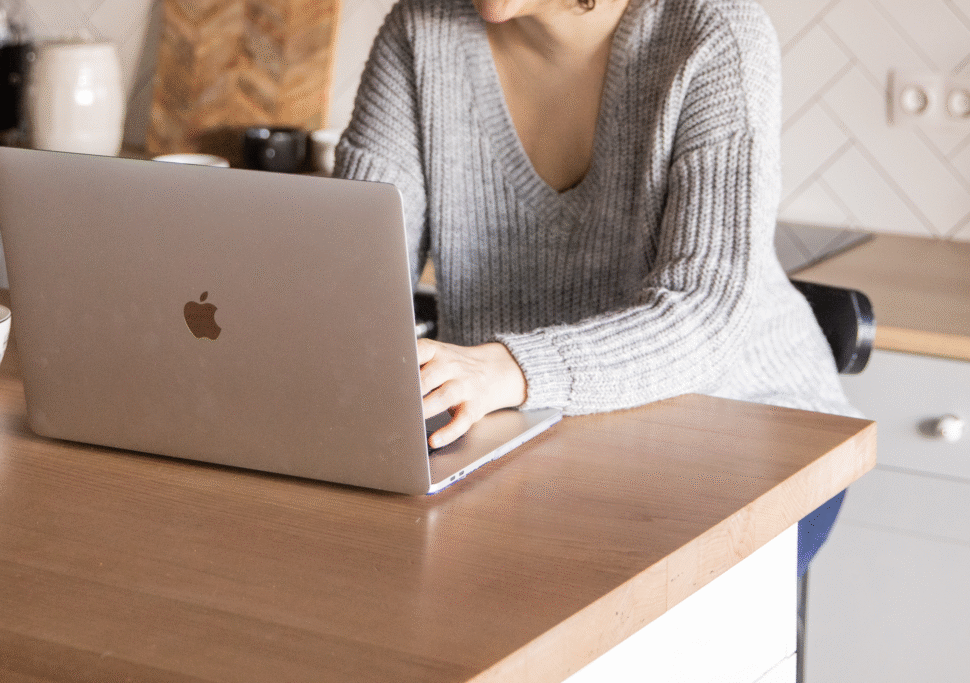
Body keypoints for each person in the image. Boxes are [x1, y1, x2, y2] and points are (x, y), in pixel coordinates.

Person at [334, 0, 857, 574]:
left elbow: (704, 312)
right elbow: (354, 285)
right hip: (528, 444)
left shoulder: (716, 32)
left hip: (744, 436)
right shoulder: (420, 29)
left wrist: (509, 370)